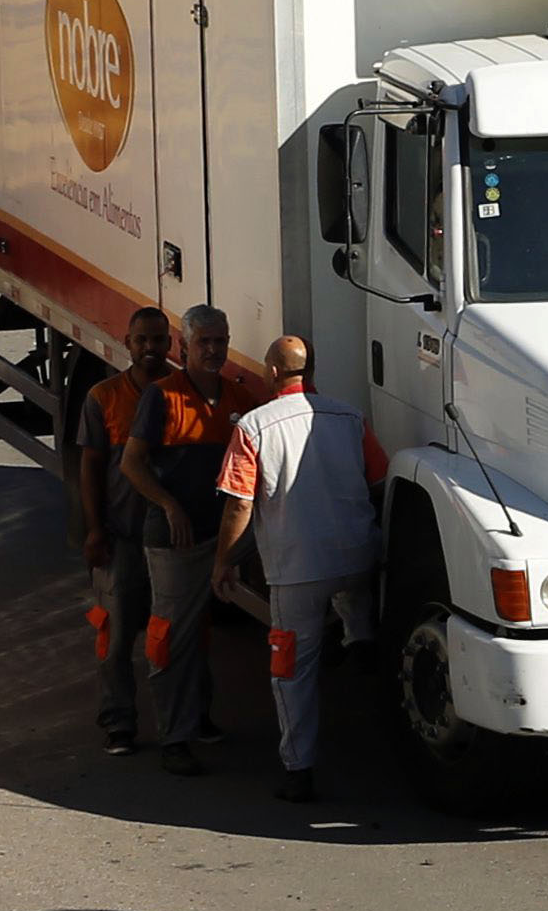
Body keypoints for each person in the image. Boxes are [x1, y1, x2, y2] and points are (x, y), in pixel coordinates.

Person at [215, 334, 386, 806]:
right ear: (311, 371)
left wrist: (223, 562)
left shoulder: (254, 427)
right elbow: (377, 480)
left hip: (297, 572)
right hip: (355, 557)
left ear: (271, 372)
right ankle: (359, 637)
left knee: (291, 672)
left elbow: (239, 507)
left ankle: (298, 769)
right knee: (354, 596)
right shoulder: (350, 417)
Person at [122, 302, 252, 771]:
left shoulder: (240, 399)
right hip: (175, 540)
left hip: (220, 539)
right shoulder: (162, 396)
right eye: (205, 343)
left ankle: (198, 718)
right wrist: (169, 504)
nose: (214, 350)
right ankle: (174, 737)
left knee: (198, 632)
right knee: (171, 635)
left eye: (221, 341)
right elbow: (131, 464)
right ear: (185, 347)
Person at [68, 306, 174, 757]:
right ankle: (118, 723)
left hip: (172, 541)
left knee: (176, 637)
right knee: (115, 637)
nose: (150, 348)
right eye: (141, 340)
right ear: (127, 344)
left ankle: (188, 720)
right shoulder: (104, 397)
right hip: (122, 537)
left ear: (171, 345)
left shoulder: (182, 394)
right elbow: (89, 467)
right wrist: (93, 530)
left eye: (158, 340)